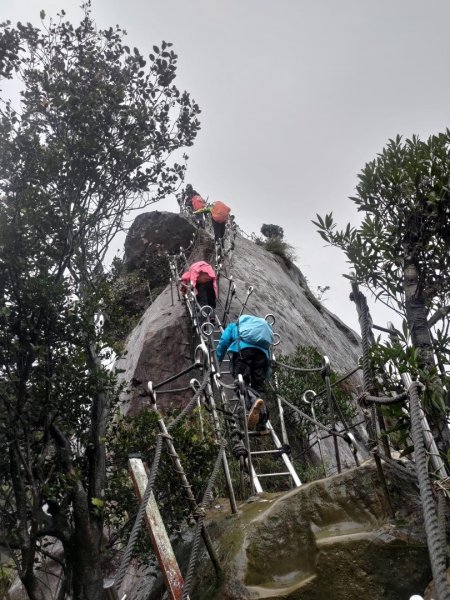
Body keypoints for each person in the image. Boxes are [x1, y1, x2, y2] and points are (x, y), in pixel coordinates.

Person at [215, 315, 273, 431]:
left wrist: (217, 359)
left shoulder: (235, 325)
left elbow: (224, 341)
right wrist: (265, 377)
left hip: (244, 352)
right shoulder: (261, 332)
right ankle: (262, 423)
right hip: (262, 355)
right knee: (258, 387)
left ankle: (254, 403)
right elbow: (269, 354)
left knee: (241, 383)